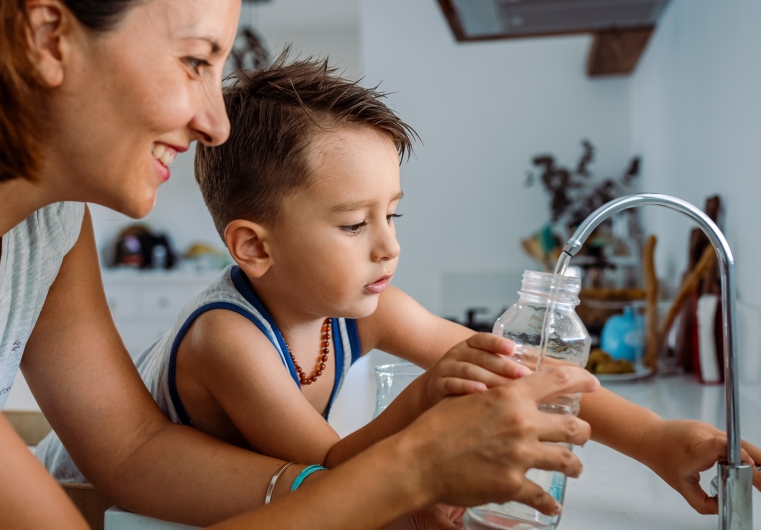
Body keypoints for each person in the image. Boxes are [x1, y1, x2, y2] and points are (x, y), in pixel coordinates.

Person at [0, 1, 600, 529]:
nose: (215, 123)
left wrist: (358, 489)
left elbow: (133, 451)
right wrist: (403, 471)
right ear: (47, 37)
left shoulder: (48, 220)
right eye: (195, 61)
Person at [40, 52, 761, 524]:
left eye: (393, 213)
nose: (390, 244)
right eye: (355, 224)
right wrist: (424, 401)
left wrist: (658, 440)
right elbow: (331, 474)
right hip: (79, 494)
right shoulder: (230, 340)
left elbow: (529, 371)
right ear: (254, 247)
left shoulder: (369, 307)